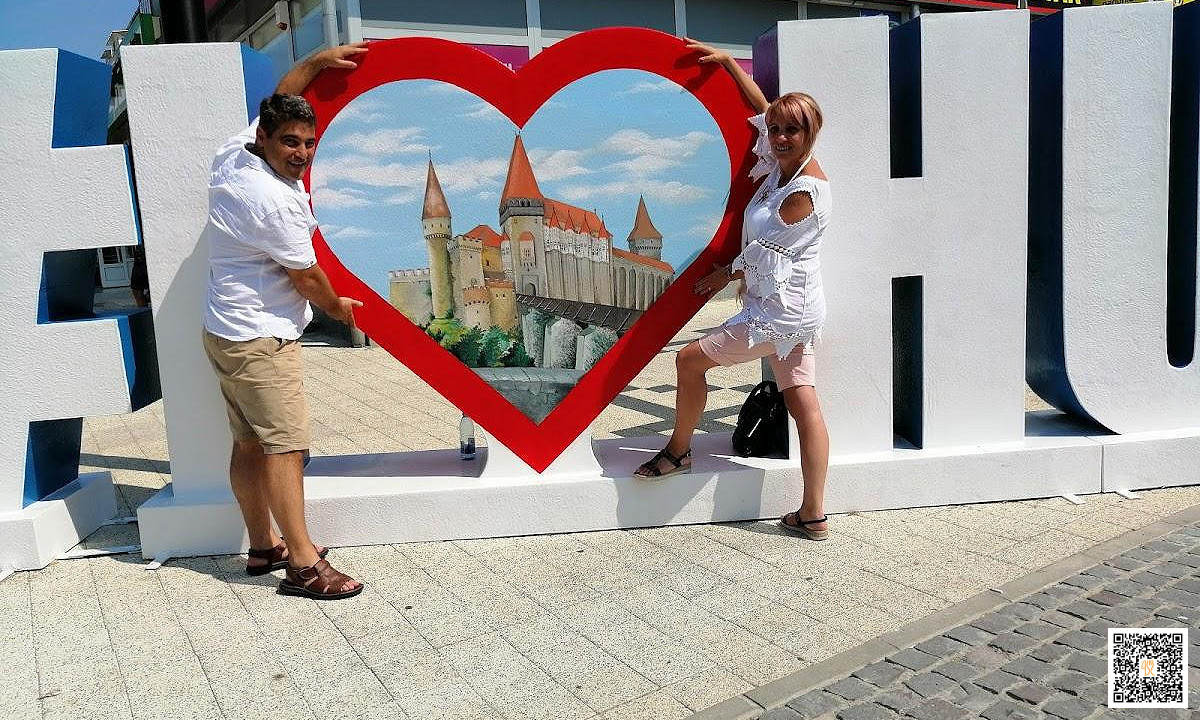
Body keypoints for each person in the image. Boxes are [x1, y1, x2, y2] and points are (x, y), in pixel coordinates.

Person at [634, 40, 832, 542]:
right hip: (796, 309)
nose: (779, 136)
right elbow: (764, 110)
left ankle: (678, 452)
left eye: (791, 130)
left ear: (812, 134)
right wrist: (727, 64)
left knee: (689, 360)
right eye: (777, 129)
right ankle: (813, 514)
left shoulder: (804, 191)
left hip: (779, 314)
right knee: (803, 402)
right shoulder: (785, 164)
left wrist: (724, 274)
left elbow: (766, 250)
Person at [201, 43, 369, 598]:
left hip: (226, 328)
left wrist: (317, 62)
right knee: (285, 447)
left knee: (249, 444)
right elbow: (307, 277)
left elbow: (282, 96)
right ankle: (302, 565)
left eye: (308, 142)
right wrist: (339, 309)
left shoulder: (236, 154)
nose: (301, 153)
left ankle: (263, 546)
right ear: (266, 140)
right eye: (291, 143)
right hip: (260, 337)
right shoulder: (270, 201)